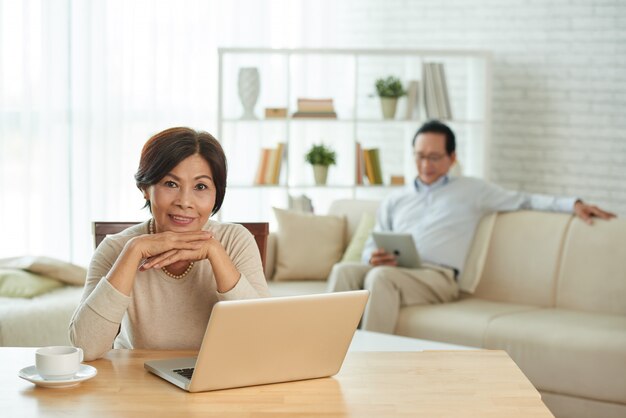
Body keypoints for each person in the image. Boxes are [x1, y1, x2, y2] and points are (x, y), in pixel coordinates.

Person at [327, 120, 616, 334]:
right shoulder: (395, 199)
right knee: (345, 271)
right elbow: (370, 247)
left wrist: (572, 204)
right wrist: (371, 256)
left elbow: (524, 200)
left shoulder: (472, 191)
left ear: (452, 158)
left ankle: (371, 364)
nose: (425, 164)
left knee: (380, 278)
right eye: (419, 155)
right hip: (396, 270)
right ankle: (323, 354)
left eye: (434, 156)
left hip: (437, 278)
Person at [70, 127, 270, 360]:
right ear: (146, 188)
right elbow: (85, 348)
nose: (185, 202)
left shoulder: (235, 240)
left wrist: (216, 254)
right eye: (170, 184)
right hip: (137, 379)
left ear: (217, 193)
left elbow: (263, 338)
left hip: (217, 377)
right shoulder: (116, 248)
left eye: (201, 187)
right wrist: (134, 251)